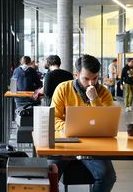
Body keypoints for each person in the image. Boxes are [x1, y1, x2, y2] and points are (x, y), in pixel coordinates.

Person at [50, 54, 116, 192]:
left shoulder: (103, 92)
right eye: (86, 79)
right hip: (66, 142)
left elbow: (108, 121)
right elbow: (54, 118)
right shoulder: (63, 88)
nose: (91, 83)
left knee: (108, 176)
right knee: (49, 174)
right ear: (76, 74)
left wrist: (95, 100)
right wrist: (68, 128)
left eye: (95, 78)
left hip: (93, 144)